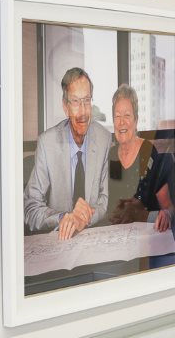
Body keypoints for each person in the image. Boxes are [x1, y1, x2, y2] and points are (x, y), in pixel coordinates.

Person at [23, 67, 112, 240]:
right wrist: (63, 218)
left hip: (91, 239)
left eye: (87, 100)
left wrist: (84, 218)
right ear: (65, 107)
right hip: (58, 241)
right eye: (76, 102)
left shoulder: (104, 139)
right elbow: (31, 208)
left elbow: (104, 200)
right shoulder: (47, 144)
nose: (83, 111)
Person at [107, 84, 175, 234]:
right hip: (114, 238)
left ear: (136, 120)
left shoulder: (150, 154)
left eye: (127, 115)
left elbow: (169, 208)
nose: (121, 122)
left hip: (147, 239)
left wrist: (166, 214)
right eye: (117, 116)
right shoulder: (110, 156)